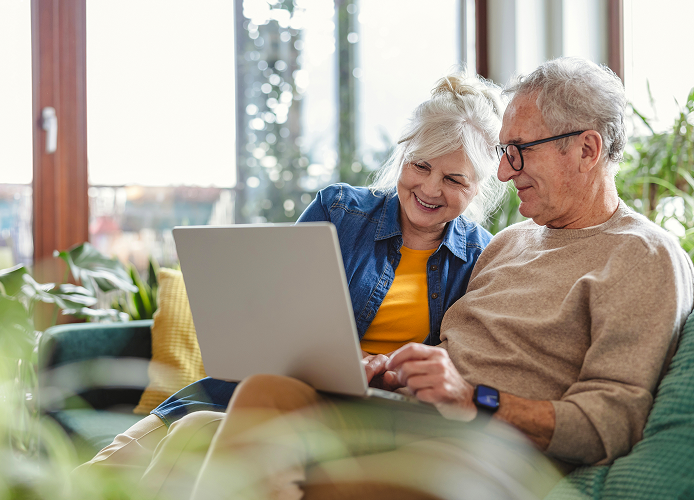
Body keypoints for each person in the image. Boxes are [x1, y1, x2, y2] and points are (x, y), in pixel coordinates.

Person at [175, 57, 694, 499]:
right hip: (408, 417)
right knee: (262, 395)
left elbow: (610, 422)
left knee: (248, 455)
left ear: (586, 149)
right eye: (503, 153)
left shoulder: (644, 256)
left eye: (520, 151)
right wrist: (400, 370)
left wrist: (476, 400)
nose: (507, 174)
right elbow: (451, 352)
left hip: (490, 453)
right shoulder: (510, 243)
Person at [75, 71, 508, 498]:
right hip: (259, 389)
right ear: (403, 156)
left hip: (353, 417)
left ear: (480, 187)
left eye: (454, 179)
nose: (430, 188)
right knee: (95, 476)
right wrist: (345, 361)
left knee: (188, 438)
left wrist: (392, 373)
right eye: (421, 166)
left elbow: (456, 370)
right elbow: (273, 319)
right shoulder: (340, 211)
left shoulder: (482, 258)